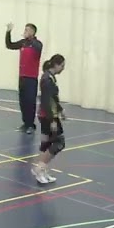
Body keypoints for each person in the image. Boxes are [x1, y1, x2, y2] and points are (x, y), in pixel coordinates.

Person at [31, 54, 66, 185]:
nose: (63, 68)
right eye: (62, 66)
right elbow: (46, 101)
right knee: (59, 143)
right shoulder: (47, 79)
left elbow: (53, 98)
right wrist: (52, 120)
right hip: (48, 116)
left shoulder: (50, 78)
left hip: (47, 114)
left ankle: (42, 170)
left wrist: (61, 110)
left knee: (46, 143)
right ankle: (38, 169)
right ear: (56, 65)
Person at [5, 22, 43, 133]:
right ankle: (25, 123)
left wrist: (30, 38)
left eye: (27, 30)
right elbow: (9, 45)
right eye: (25, 30)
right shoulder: (23, 43)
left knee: (30, 102)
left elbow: (37, 47)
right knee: (23, 102)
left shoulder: (37, 44)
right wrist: (8, 32)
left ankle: (31, 124)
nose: (24, 32)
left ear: (32, 32)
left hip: (31, 78)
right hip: (22, 77)